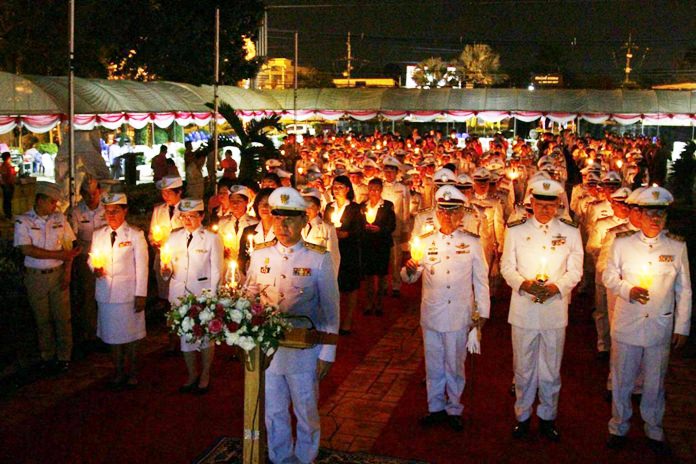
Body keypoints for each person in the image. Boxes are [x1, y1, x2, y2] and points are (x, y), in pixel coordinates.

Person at [244, 186, 339, 464]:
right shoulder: (260, 254)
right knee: (273, 410)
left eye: (290, 219)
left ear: (303, 221)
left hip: (304, 351)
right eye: (278, 218)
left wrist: (327, 353)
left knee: (305, 408)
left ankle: (305, 456)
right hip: (269, 352)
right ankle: (280, 455)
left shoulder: (317, 258)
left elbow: (330, 311)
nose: (283, 225)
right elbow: (250, 294)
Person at [604, 186, 691, 454]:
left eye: (661, 215)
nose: (656, 220)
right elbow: (608, 277)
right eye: (651, 214)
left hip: (658, 325)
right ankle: (619, 425)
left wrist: (682, 326)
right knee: (622, 378)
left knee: (655, 380)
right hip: (628, 321)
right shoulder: (622, 243)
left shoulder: (676, 247)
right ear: (638, 214)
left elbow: (684, 289)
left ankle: (654, 428)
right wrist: (628, 289)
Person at [500, 178, 583, 441]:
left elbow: (576, 271)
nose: (545, 210)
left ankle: (548, 417)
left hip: (554, 309)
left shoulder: (570, 232)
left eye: (551, 205)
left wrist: (557, 287)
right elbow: (506, 268)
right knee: (523, 367)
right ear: (531, 203)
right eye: (540, 204)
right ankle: (522, 416)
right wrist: (523, 284)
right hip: (524, 308)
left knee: (550, 368)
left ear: (559, 205)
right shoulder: (515, 230)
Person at [402, 184, 489, 431]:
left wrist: (481, 313)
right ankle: (435, 407)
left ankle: (454, 408)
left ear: (462, 214)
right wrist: (409, 269)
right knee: (434, 363)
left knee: (455, 363)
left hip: (459, 313)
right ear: (436, 213)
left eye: (453, 211)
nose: (447, 216)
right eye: (443, 211)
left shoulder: (472, 242)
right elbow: (411, 276)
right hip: (432, 312)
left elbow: (481, 280)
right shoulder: (425, 241)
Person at [14, 181, 81, 374]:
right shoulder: (24, 221)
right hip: (36, 277)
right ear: (41, 200)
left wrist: (67, 271)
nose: (55, 206)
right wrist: (59, 256)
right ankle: (47, 356)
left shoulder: (59, 219)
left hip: (58, 274)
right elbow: (27, 249)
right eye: (52, 202)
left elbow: (70, 248)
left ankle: (64, 357)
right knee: (42, 319)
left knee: (62, 318)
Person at [162, 198, 223, 394]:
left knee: (205, 335)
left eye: (191, 216)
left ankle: (205, 373)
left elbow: (216, 270)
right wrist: (165, 270)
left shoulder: (212, 238)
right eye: (183, 217)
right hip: (180, 293)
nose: (187, 220)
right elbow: (169, 264)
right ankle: (191, 374)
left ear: (201, 216)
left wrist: (211, 297)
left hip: (202, 294)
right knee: (185, 336)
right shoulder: (174, 237)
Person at [89, 192, 148, 389]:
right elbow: (92, 258)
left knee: (130, 335)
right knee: (111, 335)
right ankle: (118, 370)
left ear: (125, 211)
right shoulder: (99, 234)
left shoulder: (135, 235)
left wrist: (141, 293)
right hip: (106, 293)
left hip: (127, 294)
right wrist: (94, 267)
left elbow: (142, 266)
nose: (111, 215)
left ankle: (132, 371)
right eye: (108, 212)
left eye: (116, 211)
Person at [68, 176, 106, 352]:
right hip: (86, 258)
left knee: (107, 295)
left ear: (100, 191)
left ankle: (107, 330)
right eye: (87, 194)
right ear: (82, 194)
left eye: (94, 193)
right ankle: (91, 334)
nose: (91, 197)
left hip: (107, 257)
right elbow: (72, 238)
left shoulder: (107, 209)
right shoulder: (76, 212)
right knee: (89, 296)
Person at [149, 175, 184, 354]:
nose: (165, 197)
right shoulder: (158, 210)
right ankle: (171, 337)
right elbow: (151, 233)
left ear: (179, 192)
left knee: (181, 299)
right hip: (163, 259)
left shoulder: (186, 209)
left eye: (169, 193)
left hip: (181, 261)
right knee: (168, 301)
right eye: (163, 193)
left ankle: (184, 335)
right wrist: (154, 242)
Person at [325, 175, 364, 334]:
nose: (337, 190)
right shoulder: (329, 206)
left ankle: (347, 321)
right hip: (332, 250)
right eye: (334, 187)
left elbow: (360, 229)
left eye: (340, 187)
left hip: (349, 250)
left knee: (350, 286)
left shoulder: (354, 208)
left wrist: (346, 234)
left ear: (348, 189)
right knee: (334, 285)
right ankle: (334, 319)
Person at [360, 178, 396, 315]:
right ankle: (369, 302)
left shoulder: (387, 206)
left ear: (381, 190)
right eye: (371, 189)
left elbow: (392, 225)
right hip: (367, 244)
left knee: (381, 275)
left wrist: (380, 229)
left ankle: (379, 303)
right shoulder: (362, 206)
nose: (373, 192)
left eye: (376, 189)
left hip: (382, 244)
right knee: (369, 275)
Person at [301, 187, 340, 276]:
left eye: (311, 206)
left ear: (318, 208)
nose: (307, 210)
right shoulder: (297, 226)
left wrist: (330, 281)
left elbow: (333, 257)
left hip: (319, 274)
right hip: (300, 276)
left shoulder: (327, 228)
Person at [237, 188, 275, 273]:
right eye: (261, 203)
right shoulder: (248, 231)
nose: (264, 207)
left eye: (269, 204)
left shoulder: (282, 233)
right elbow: (241, 259)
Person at [218, 185, 258, 262]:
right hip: (227, 264)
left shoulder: (254, 223)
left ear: (246, 202)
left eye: (239, 201)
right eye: (232, 201)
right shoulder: (222, 222)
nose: (235, 204)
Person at [1, 151, 17, 219]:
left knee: (7, 201)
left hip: (7, 185)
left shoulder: (4, 165)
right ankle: (8, 215)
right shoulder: (6, 165)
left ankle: (8, 214)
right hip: (7, 185)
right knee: (7, 201)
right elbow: (8, 176)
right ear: (8, 157)